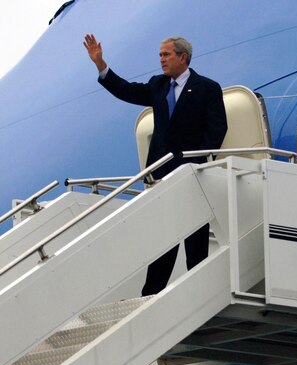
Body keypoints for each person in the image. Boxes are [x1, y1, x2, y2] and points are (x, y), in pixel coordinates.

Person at [84, 34, 228, 295]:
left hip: (191, 176)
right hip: (160, 176)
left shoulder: (207, 88)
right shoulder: (158, 85)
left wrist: (198, 163)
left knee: (195, 240)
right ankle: (150, 294)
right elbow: (126, 90)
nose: (161, 59)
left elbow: (217, 129)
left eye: (166, 55)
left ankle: (200, 292)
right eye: (160, 55)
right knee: (162, 238)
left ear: (182, 57)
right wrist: (100, 64)